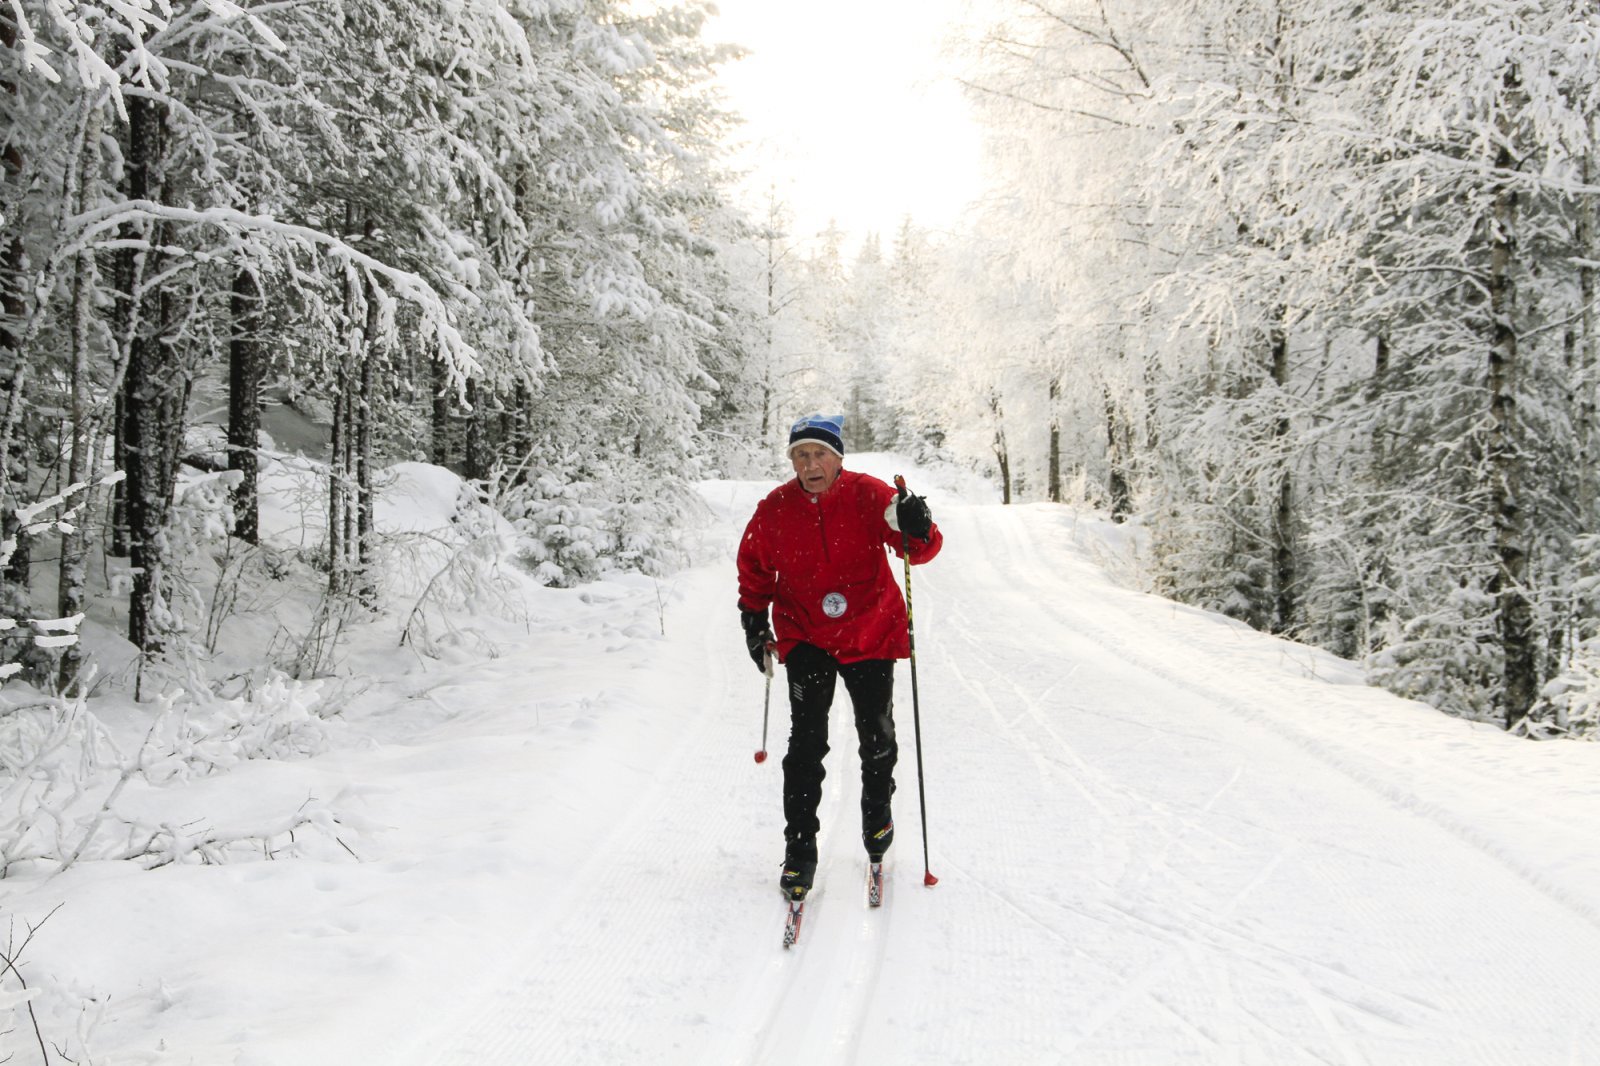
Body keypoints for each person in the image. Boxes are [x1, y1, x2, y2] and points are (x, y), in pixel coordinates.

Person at [736, 413, 942, 901]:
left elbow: (919, 550)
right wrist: (752, 619)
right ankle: (800, 850)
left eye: (819, 454)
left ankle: (877, 814)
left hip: (869, 630)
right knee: (806, 744)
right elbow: (754, 568)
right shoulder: (774, 509)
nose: (810, 464)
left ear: (838, 458)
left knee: (877, 735)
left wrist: (919, 524)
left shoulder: (870, 494)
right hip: (805, 634)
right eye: (800, 455)